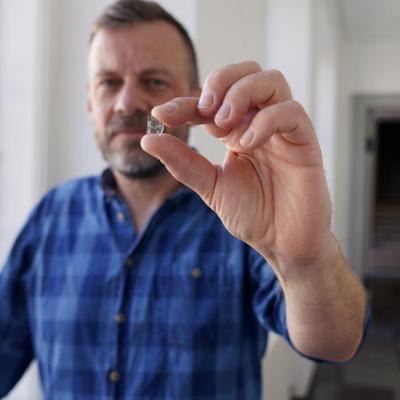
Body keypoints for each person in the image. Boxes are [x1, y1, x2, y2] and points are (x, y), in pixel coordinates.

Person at [0, 0, 368, 398]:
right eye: (108, 82)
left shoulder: (244, 221)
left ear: (194, 101)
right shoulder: (51, 216)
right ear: (91, 101)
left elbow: (336, 344)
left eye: (154, 81)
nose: (127, 103)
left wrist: (308, 262)